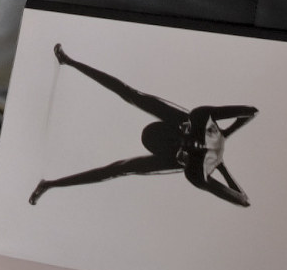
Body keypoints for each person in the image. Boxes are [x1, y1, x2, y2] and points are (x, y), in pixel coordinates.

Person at [27, 42, 259, 206]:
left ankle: (50, 184)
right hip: (190, 128)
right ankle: (68, 61)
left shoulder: (197, 170)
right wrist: (227, 133)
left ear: (181, 156)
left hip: (190, 144)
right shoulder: (200, 120)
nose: (189, 146)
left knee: (119, 168)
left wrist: (224, 163)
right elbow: (251, 111)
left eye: (183, 152)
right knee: (131, 96)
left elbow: (243, 200)